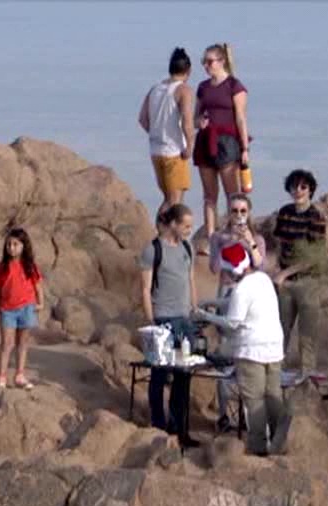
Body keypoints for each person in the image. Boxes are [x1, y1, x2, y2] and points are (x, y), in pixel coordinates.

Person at [195, 242, 286, 456]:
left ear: (232, 269)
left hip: (252, 351)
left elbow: (233, 322)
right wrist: (211, 302)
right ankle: (280, 443)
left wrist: (205, 316)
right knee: (273, 396)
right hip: (274, 347)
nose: (224, 276)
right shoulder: (262, 279)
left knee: (254, 401)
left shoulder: (241, 289)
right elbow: (241, 304)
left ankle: (258, 449)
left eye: (225, 271)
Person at [138, 203, 200, 446]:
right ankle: (158, 427)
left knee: (184, 375)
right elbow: (145, 288)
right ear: (173, 224)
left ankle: (179, 429)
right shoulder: (153, 250)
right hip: (163, 318)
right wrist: (151, 320)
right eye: (185, 226)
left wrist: (194, 310)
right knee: (159, 375)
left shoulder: (187, 247)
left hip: (184, 320)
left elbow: (191, 279)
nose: (189, 230)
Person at [205, 193, 266, 431]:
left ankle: (246, 412)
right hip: (227, 292)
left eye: (243, 211)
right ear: (228, 213)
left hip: (249, 292)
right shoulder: (218, 237)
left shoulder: (256, 237)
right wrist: (229, 244)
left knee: (248, 349)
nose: (239, 215)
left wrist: (248, 243)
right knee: (225, 351)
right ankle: (224, 415)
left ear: (248, 213)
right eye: (234, 211)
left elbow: (261, 266)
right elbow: (213, 267)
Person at [271, 169, 327, 377]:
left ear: (310, 189)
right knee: (280, 331)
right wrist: (279, 269)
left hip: (308, 281)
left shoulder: (316, 217)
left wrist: (285, 273)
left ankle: (306, 378)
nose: (298, 190)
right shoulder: (285, 212)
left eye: (303, 186)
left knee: (307, 335)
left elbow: (314, 257)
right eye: (295, 186)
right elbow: (279, 242)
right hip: (285, 282)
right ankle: (276, 374)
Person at [194, 42, 250, 238]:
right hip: (205, 141)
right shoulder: (202, 87)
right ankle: (211, 237)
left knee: (232, 194)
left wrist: (244, 148)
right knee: (209, 196)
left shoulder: (234, 86)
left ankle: (235, 233)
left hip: (227, 142)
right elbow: (195, 116)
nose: (206, 66)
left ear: (221, 61)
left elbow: (241, 118)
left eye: (209, 61)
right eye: (204, 62)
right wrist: (198, 122)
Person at [139, 47, 195, 217]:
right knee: (175, 201)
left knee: (168, 198)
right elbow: (186, 122)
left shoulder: (155, 89)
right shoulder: (184, 90)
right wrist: (190, 145)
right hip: (174, 151)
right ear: (188, 70)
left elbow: (143, 119)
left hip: (156, 150)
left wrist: (157, 132)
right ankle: (163, 236)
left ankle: (164, 234)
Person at [0, 227, 44, 393]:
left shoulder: (30, 266)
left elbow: (38, 285)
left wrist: (40, 303)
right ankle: (1, 376)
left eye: (15, 244)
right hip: (7, 310)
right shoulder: (2, 267)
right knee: (7, 344)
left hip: (27, 307)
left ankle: (20, 375)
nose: (11, 248)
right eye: (9, 244)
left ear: (23, 246)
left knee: (23, 343)